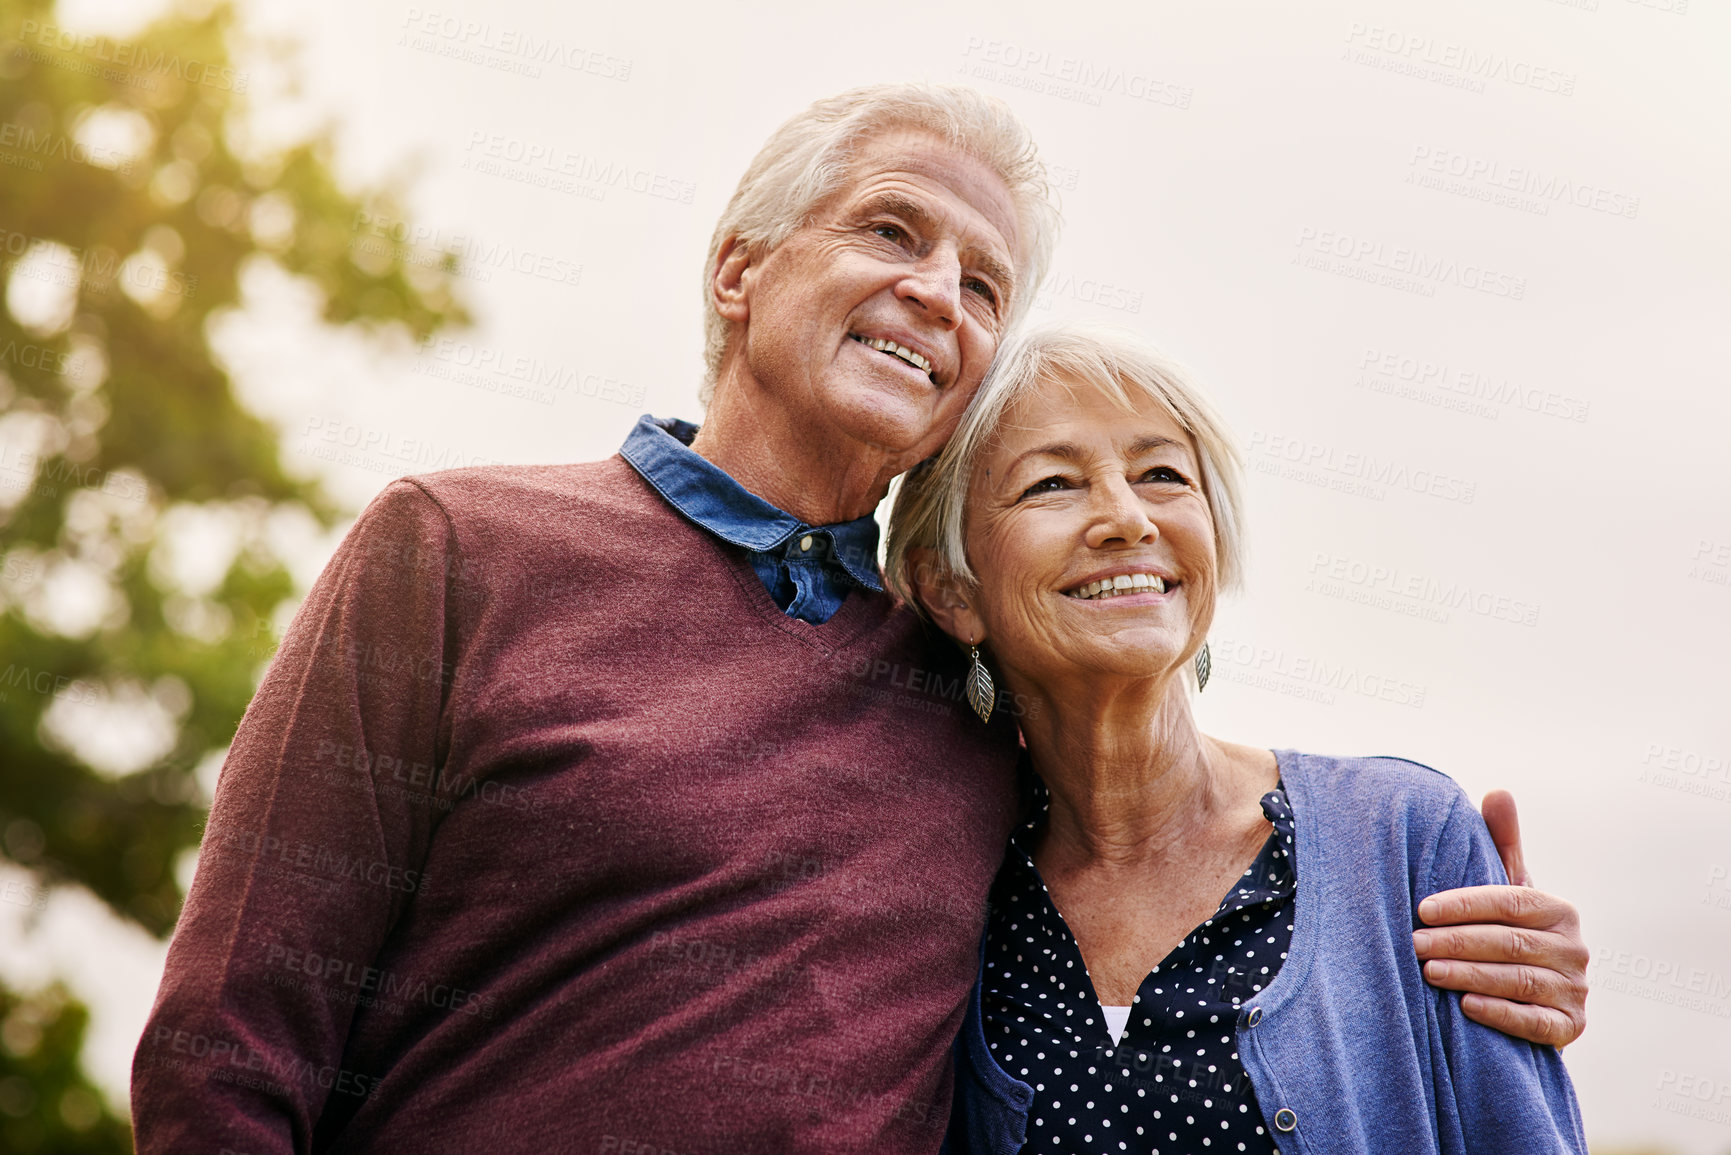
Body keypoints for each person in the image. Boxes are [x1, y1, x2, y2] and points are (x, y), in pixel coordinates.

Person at [132, 85, 1586, 1154]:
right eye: (890, 229)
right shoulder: (452, 547)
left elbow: (1163, 803)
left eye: (980, 284)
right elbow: (229, 1047)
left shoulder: (961, 679)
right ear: (738, 270)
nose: (932, 294)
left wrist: (1429, 899)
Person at [886, 324, 1587, 1154]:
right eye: (1051, 484)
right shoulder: (940, 890)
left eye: (1160, 474)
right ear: (949, 589)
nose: (1125, 516)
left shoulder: (1403, 840)